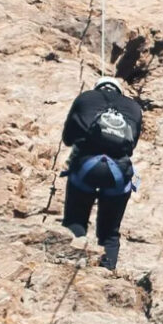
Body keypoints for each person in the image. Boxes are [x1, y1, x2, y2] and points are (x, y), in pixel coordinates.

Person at [61, 77, 142, 269]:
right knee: (110, 233)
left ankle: (71, 261)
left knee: (75, 219)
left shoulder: (86, 98)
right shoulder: (133, 108)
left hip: (86, 167)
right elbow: (131, 147)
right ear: (120, 91)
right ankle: (107, 270)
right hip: (118, 173)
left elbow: (67, 138)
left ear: (97, 87)